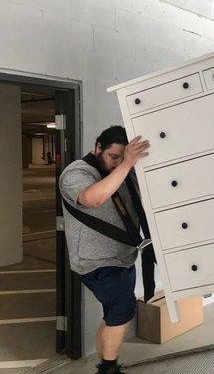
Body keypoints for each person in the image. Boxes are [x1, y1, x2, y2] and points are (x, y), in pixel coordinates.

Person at [59, 126, 150, 374]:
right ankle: (109, 370)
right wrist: (126, 164)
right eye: (113, 156)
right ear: (98, 147)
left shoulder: (122, 169)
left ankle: (105, 363)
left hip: (123, 256)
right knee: (122, 310)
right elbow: (93, 199)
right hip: (95, 261)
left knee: (113, 313)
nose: (117, 163)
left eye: (122, 157)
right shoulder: (76, 172)